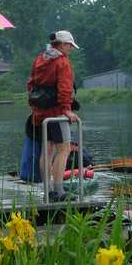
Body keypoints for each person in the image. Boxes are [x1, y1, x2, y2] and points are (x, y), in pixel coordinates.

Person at [27, 30, 80, 201]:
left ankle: (48, 191)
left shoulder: (39, 59)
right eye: (69, 45)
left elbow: (31, 84)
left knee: (47, 151)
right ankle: (59, 191)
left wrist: (36, 107)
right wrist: (66, 109)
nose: (70, 49)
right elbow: (65, 87)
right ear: (62, 45)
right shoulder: (62, 62)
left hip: (40, 113)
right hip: (56, 113)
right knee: (64, 148)